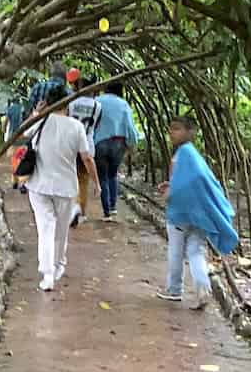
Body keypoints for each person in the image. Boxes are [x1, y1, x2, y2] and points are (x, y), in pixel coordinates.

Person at [156, 115, 237, 310]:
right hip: (199, 213)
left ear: (189, 132)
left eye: (177, 129)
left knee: (176, 251)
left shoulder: (182, 154)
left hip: (179, 213)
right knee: (195, 251)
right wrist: (173, 186)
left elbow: (187, 182)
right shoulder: (193, 155)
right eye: (170, 129)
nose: (171, 133)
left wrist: (170, 192)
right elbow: (195, 181)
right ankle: (203, 289)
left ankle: (174, 289)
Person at [26, 98, 100, 292]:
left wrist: (36, 113)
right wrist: (96, 183)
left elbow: (23, 133)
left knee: (45, 228)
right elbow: (87, 157)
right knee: (60, 230)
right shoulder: (76, 126)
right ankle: (57, 266)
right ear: (68, 105)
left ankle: (48, 274)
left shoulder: (40, 121)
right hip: (66, 187)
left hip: (39, 185)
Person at [92, 81, 139, 219]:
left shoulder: (97, 101)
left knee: (102, 177)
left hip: (100, 142)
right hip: (119, 143)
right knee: (113, 174)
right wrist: (132, 144)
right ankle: (113, 207)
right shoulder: (124, 104)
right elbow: (130, 126)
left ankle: (106, 211)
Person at [67, 75, 102, 225]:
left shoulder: (71, 103)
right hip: (87, 145)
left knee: (70, 177)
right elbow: (96, 125)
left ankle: (71, 208)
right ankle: (81, 211)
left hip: (70, 144)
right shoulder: (97, 106)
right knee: (83, 180)